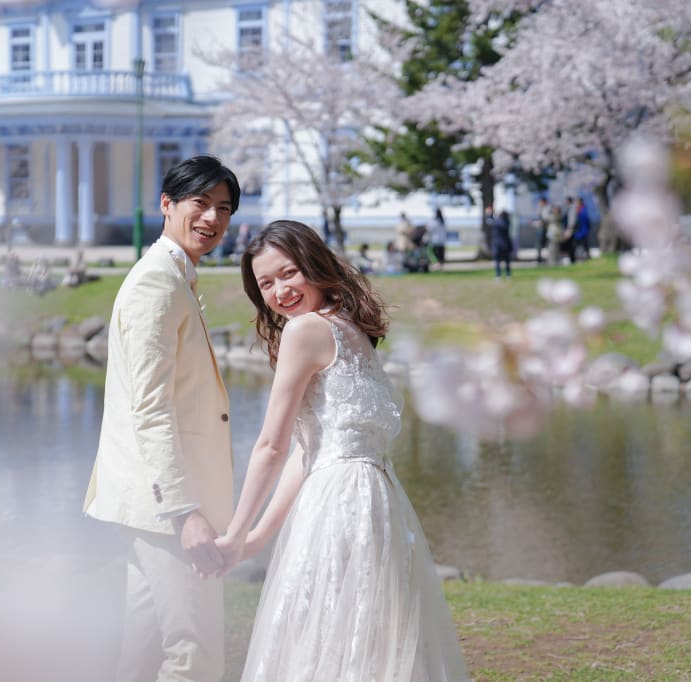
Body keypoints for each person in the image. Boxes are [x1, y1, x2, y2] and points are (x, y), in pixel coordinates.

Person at [215, 220, 468, 680]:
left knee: (328, 636)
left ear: (314, 264)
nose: (279, 292)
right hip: (374, 500)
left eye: (288, 273)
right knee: (361, 638)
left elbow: (271, 445)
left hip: (342, 502)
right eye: (266, 284)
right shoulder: (351, 331)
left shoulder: (308, 331)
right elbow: (306, 451)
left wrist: (234, 533)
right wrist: (254, 536)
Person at [83, 155, 241, 682]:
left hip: (156, 502)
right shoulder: (157, 283)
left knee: (144, 650)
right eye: (201, 203)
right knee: (193, 653)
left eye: (224, 209)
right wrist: (184, 511)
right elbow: (149, 409)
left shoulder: (176, 277)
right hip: (169, 505)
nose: (212, 219)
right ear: (167, 205)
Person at [488, 205, 513, 278]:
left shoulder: (501, 222)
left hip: (500, 244)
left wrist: (490, 214)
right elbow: (491, 221)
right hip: (504, 243)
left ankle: (501, 274)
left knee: (501, 260)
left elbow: (492, 221)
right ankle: (504, 274)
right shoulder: (505, 221)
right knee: (504, 260)